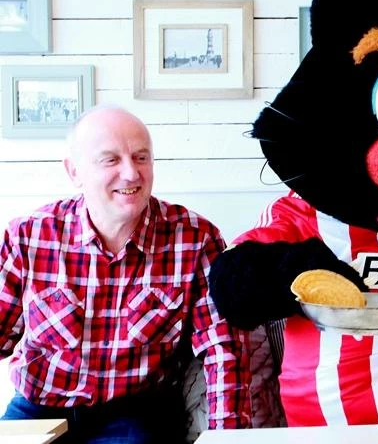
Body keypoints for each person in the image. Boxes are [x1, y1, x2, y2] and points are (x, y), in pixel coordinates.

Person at [0, 105, 251, 443]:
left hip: (136, 411)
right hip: (39, 405)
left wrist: (230, 440)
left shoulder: (195, 238)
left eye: (141, 157)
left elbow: (222, 348)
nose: (131, 174)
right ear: (75, 172)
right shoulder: (28, 236)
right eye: (111, 160)